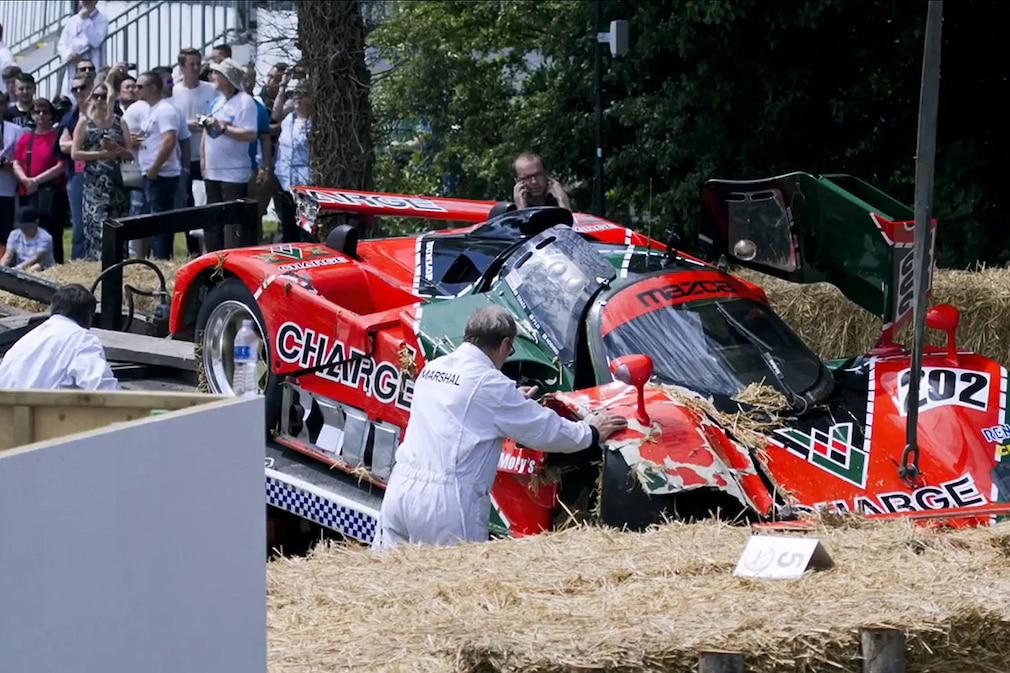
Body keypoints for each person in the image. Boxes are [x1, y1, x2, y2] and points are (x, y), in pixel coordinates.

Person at [373, 307, 628, 549]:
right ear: (505, 344)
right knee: (456, 585)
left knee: (391, 580)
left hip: (400, 490)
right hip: (446, 504)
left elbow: (463, 409)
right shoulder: (490, 384)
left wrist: (512, 401)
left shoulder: (434, 369)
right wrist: (590, 432)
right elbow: (543, 430)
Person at [0, 283, 118, 391]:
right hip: (46, 412)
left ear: (52, 308)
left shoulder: (27, 339)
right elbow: (102, 388)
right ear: (89, 315)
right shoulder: (83, 340)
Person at [71, 81, 133, 261]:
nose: (99, 100)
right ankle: (96, 267)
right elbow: (75, 153)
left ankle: (119, 267)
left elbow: (130, 154)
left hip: (117, 185)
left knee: (119, 229)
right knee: (96, 230)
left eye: (103, 96)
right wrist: (102, 154)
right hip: (94, 186)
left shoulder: (119, 121)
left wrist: (117, 149)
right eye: (96, 96)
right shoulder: (85, 122)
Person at [201, 58, 257, 251]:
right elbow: (206, 133)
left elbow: (250, 134)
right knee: (212, 219)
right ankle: (212, 260)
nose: (212, 76)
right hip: (213, 170)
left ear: (227, 78)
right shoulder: (216, 102)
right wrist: (203, 159)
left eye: (217, 73)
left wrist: (223, 128)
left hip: (233, 172)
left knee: (232, 223)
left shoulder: (245, 102)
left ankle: (231, 261)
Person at [12, 98, 67, 264]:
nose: (41, 115)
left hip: (52, 192)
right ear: (31, 115)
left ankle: (55, 265)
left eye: (45, 111)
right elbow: (16, 163)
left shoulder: (57, 136)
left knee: (53, 233)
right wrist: (25, 180)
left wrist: (36, 180)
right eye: (36, 111)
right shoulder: (25, 138)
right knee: (27, 231)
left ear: (51, 114)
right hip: (28, 192)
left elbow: (62, 165)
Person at [133, 70, 182, 259]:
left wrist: (155, 167)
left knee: (159, 223)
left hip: (162, 175)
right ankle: (154, 258)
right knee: (150, 222)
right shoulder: (150, 110)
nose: (137, 90)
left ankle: (162, 260)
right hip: (151, 173)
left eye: (140, 86)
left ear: (153, 88)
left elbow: (169, 140)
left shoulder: (165, 110)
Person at [273, 84, 311, 243]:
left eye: (302, 95)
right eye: (296, 95)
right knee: (287, 226)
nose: (297, 99)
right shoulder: (288, 120)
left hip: (304, 182)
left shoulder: (312, 123)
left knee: (305, 227)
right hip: (284, 180)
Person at [56, 1, 108, 97]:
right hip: (73, 66)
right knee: (71, 93)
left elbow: (96, 41)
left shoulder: (102, 20)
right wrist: (68, 55)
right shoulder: (72, 20)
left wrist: (85, 20)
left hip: (91, 66)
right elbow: (62, 44)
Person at [1, 206, 55, 272]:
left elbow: (36, 258)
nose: (24, 229)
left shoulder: (45, 237)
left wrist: (18, 268)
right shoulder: (14, 235)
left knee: (36, 267)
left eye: (27, 227)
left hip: (42, 268)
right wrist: (2, 268)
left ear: (36, 222)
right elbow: (8, 255)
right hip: (21, 269)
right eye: (21, 227)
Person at [0, 116, 24, 258]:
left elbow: (20, 159)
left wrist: (9, 165)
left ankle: (4, 266)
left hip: (7, 189)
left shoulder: (15, 130)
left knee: (5, 231)